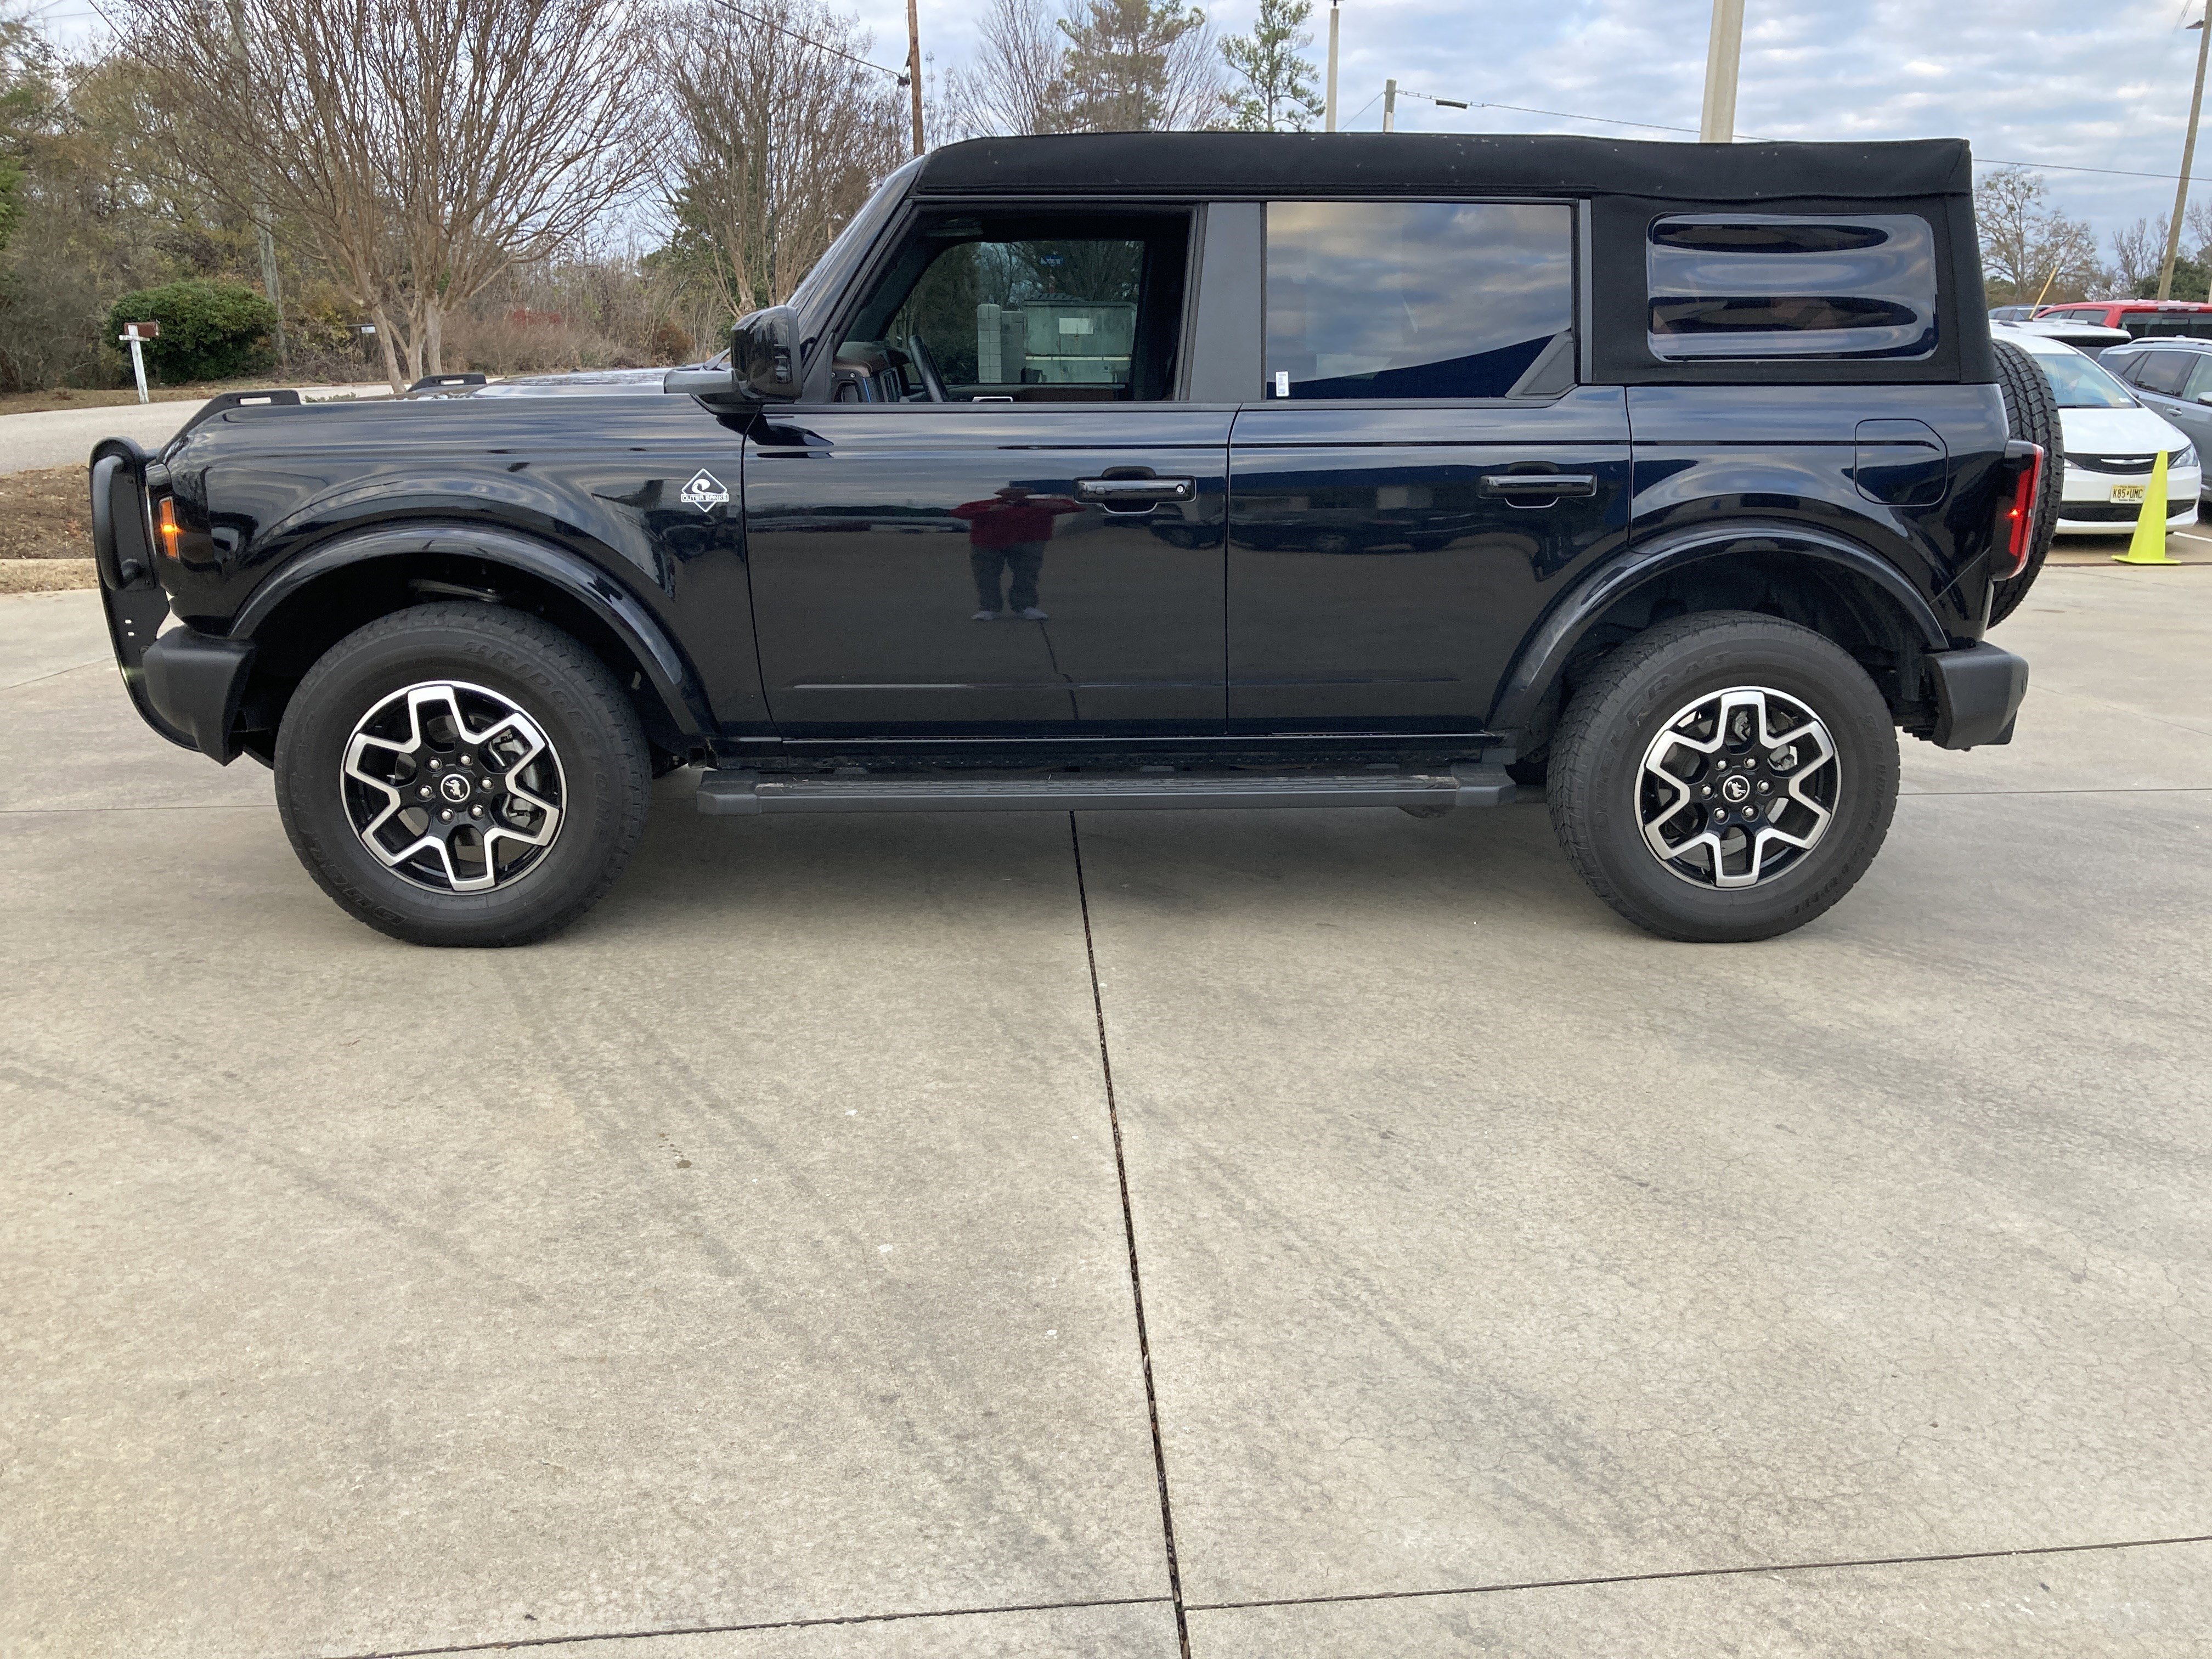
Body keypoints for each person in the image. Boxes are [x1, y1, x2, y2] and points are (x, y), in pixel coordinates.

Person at [949, 485, 1083, 620]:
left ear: (1026, 494)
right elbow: (958, 512)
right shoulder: (986, 504)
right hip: (988, 544)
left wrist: (1053, 505)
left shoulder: (1040, 505)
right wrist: (989, 510)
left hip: (1028, 543)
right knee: (986, 577)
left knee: (1027, 575)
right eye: (1011, 493)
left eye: (1020, 493)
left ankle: (1026, 606)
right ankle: (989, 608)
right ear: (1002, 494)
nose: (1016, 495)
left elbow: (1077, 507)